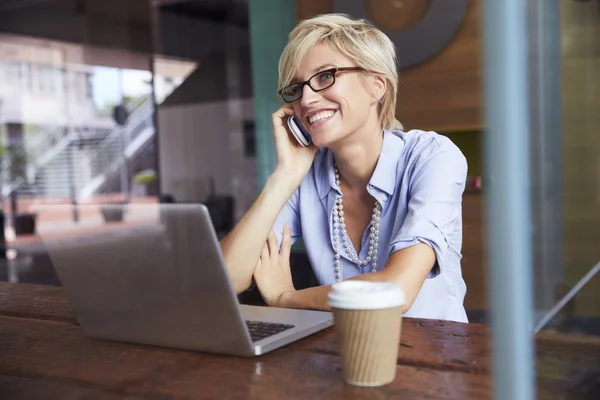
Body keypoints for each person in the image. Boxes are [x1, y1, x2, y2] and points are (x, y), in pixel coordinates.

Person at [219, 14, 468, 323]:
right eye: (296, 89)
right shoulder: (305, 177)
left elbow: (397, 291)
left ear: (376, 85)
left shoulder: (433, 157)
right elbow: (224, 280)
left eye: (325, 77)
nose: (306, 99)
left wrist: (287, 299)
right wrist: (283, 177)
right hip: (342, 356)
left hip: (433, 360)